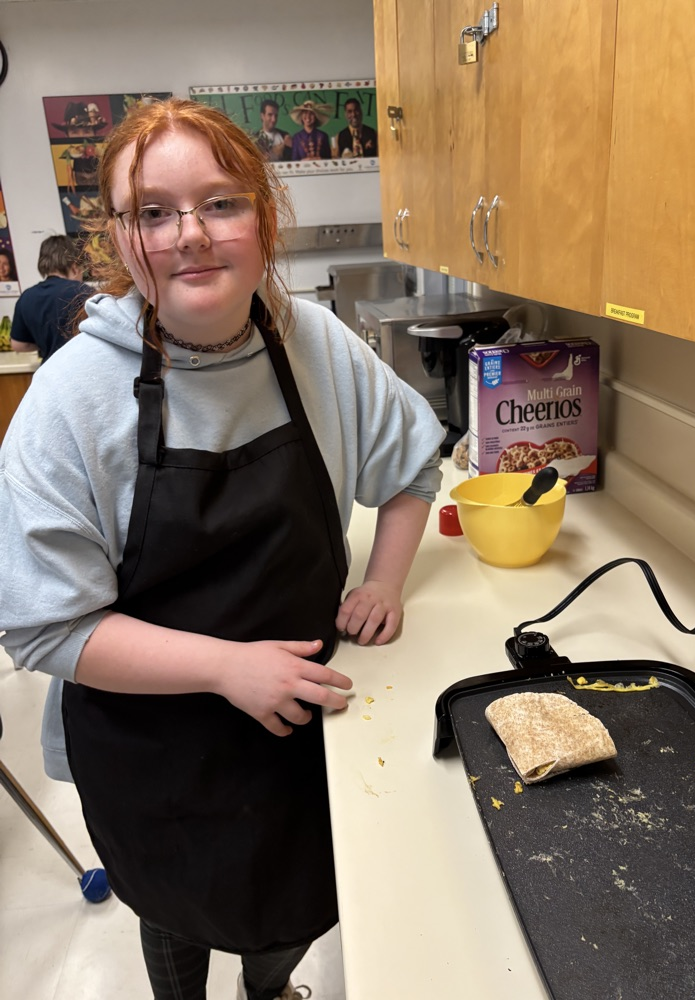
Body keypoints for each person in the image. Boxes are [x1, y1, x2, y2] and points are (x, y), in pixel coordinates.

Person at [0, 98, 444, 1000]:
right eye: (154, 212)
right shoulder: (70, 400)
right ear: (119, 239)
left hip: (299, 729)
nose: (189, 236)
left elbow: (410, 465)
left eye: (221, 203)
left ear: (264, 215)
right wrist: (224, 668)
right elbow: (47, 630)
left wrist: (387, 581)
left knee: (288, 897)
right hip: (152, 746)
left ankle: (270, 989)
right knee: (176, 912)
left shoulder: (312, 341)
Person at [10, 235, 92, 361]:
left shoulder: (26, 297)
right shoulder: (85, 293)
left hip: (48, 373)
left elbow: (18, 345)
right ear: (75, 268)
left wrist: (47, 345)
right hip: (82, 369)